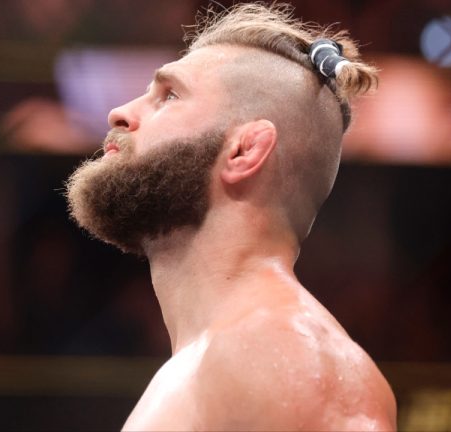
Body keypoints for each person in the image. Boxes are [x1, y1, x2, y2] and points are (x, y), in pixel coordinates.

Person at [66, 3, 396, 430]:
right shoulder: (227, 357)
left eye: (169, 95)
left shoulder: (289, 353)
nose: (120, 113)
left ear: (244, 151)